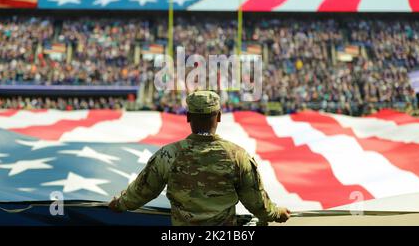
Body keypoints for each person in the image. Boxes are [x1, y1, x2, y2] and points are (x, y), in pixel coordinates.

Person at [108, 90, 290, 225]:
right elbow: (258, 205)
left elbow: (141, 193)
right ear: (218, 117)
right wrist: (276, 213)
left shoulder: (168, 155)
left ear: (188, 117)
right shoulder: (238, 157)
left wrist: (120, 203)